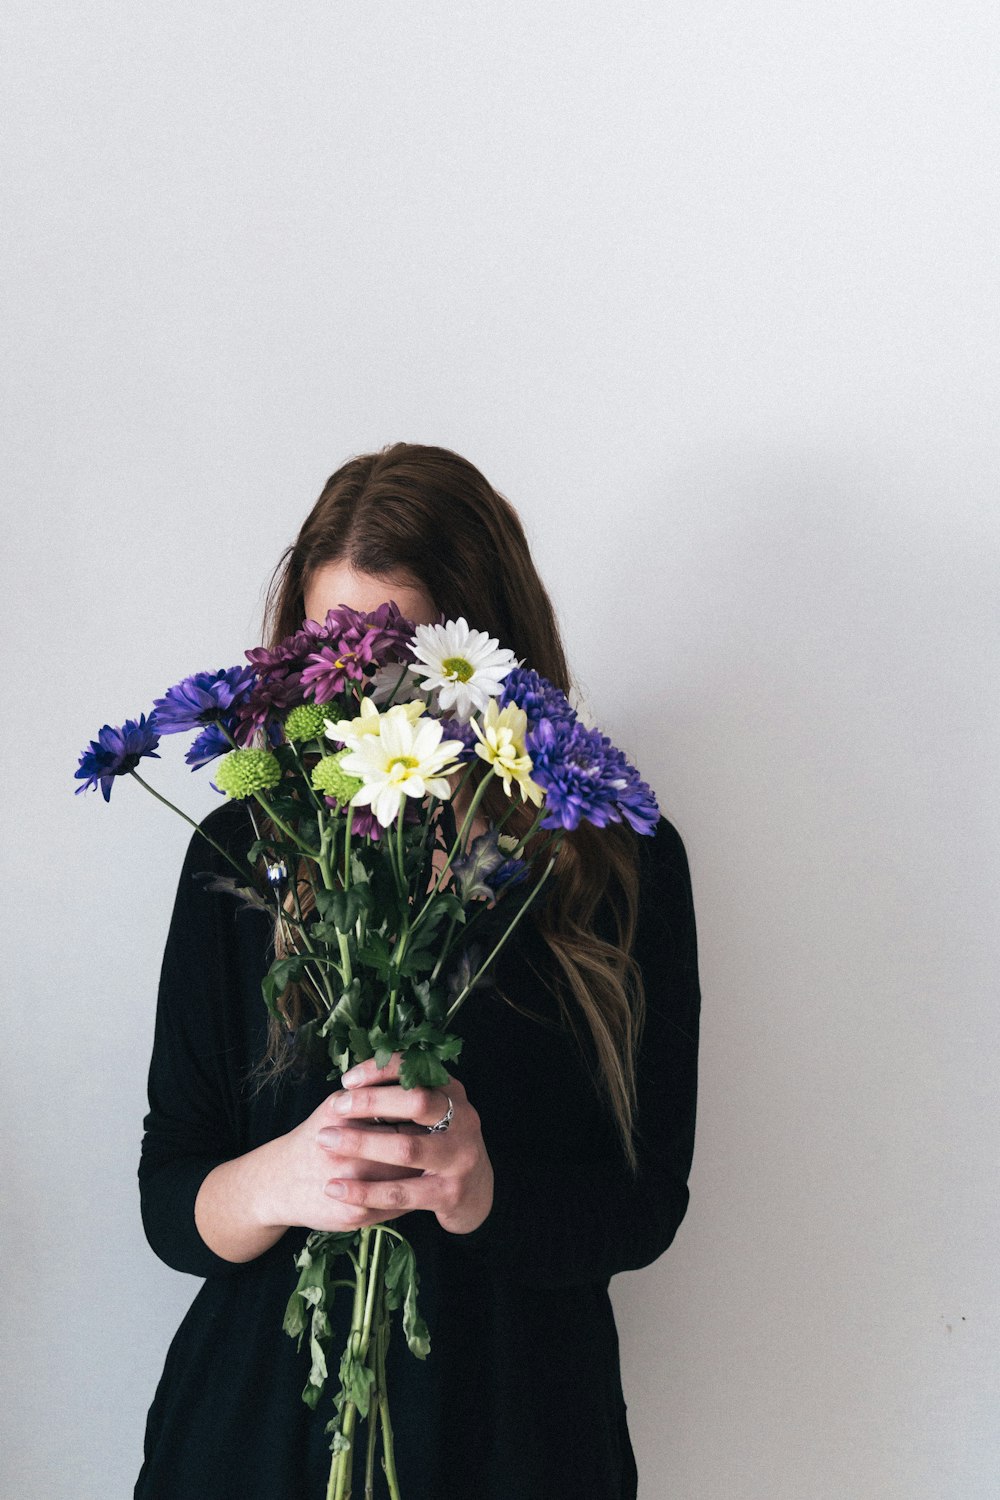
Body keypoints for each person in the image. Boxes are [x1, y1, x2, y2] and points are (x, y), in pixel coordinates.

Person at [135, 442, 701, 1500]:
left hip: (522, 1442)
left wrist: (484, 1195)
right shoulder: (237, 854)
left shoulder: (615, 867)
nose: (355, 691)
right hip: (254, 1446)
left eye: (390, 660)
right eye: (327, 654)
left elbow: (646, 1205)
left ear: (482, 656)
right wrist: (283, 1178)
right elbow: (171, 1198)